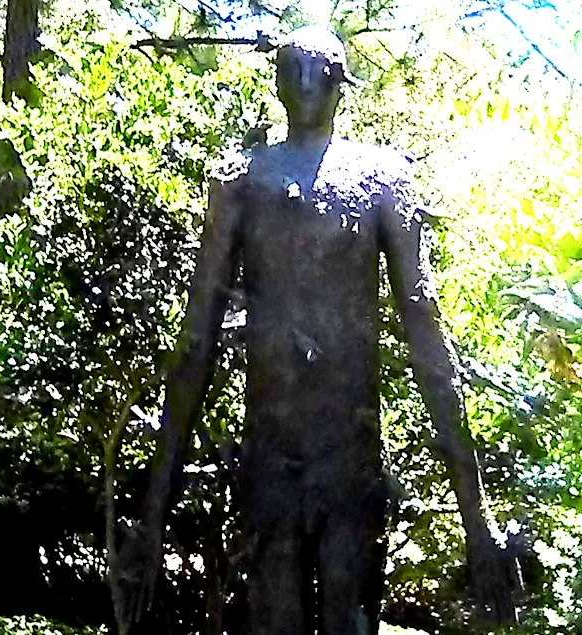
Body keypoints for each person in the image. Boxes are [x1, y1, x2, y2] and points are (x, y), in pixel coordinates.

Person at [124, 25, 519, 634]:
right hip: (270, 462)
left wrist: (476, 515)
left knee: (347, 617)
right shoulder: (241, 182)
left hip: (348, 464)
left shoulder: (383, 181)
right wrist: (153, 514)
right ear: (281, 84)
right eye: (297, 72)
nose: (307, 85)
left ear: (339, 86)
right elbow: (196, 341)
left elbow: (426, 337)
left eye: (318, 74)